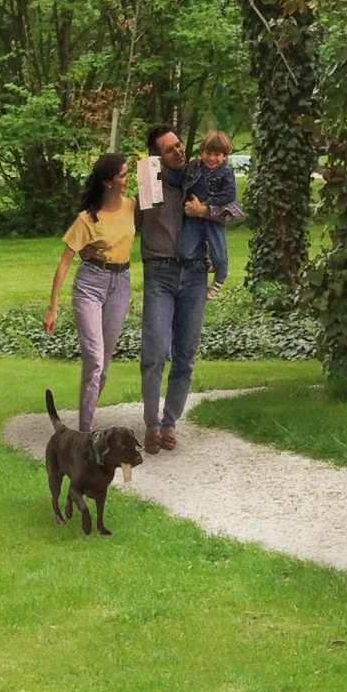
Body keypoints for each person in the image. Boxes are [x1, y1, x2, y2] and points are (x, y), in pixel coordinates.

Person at [136, 125, 222, 454]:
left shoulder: (199, 179)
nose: (179, 151)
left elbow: (230, 212)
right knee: (154, 353)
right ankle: (151, 425)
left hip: (195, 273)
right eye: (170, 149)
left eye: (179, 144)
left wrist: (206, 212)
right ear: (157, 157)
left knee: (185, 356)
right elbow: (127, 221)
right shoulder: (149, 183)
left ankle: (169, 423)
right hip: (159, 272)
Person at [44, 152, 134, 432]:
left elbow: (161, 199)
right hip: (90, 286)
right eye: (123, 175)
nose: (127, 179)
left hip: (121, 284)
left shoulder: (132, 206)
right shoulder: (87, 219)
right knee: (95, 361)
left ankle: (87, 418)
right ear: (108, 181)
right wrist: (52, 307)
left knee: (103, 367)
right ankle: (85, 434)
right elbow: (65, 261)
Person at [185, 130, 241, 298]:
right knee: (184, 250)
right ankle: (206, 257)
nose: (211, 158)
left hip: (213, 218)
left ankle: (220, 278)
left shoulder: (226, 172)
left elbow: (229, 195)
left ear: (224, 156)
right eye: (208, 153)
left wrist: (207, 204)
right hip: (193, 217)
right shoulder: (194, 166)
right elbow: (183, 183)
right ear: (202, 151)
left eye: (217, 155)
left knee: (220, 254)